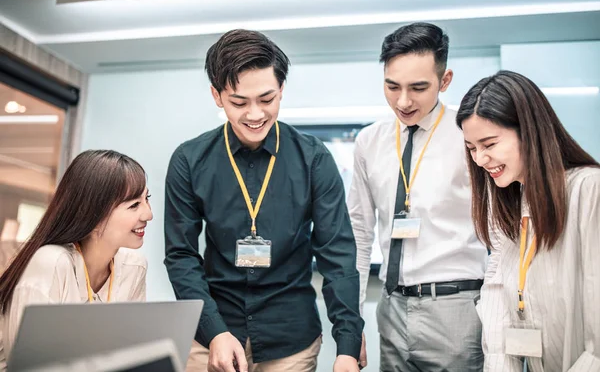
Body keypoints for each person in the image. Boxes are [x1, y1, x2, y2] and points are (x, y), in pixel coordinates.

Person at [164, 29, 363, 372]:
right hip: (214, 335)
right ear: (217, 95)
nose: (255, 114)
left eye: (267, 99)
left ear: (282, 90)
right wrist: (213, 332)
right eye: (239, 102)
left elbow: (337, 256)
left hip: (291, 338)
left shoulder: (314, 159)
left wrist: (347, 344)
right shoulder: (189, 160)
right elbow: (181, 255)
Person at [347, 22, 488, 371]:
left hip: (457, 306)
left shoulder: (468, 135)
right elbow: (359, 235)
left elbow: (501, 235)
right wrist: (350, 322)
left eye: (418, 88)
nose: (403, 101)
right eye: (392, 86)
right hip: (390, 305)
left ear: (445, 80)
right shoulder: (369, 141)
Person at [457, 70, 600, 371]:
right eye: (472, 148)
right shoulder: (510, 204)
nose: (480, 160)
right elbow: (497, 299)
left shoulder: (589, 191)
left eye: (490, 144)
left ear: (529, 131)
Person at [0, 149, 152, 369]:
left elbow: (134, 354)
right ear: (94, 213)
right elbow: (29, 367)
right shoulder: (51, 262)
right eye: (134, 205)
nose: (148, 214)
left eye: (146, 199)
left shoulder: (134, 266)